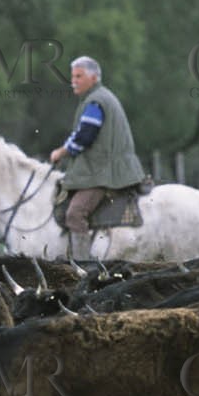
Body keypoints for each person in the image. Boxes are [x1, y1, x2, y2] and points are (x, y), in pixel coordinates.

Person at [47, 55, 146, 260]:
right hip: (109, 167)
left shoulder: (95, 101)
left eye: (79, 76)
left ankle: (82, 268)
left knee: (74, 214)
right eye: (72, 76)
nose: (73, 80)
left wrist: (61, 152)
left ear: (93, 78)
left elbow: (84, 136)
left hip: (105, 171)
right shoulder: (99, 97)